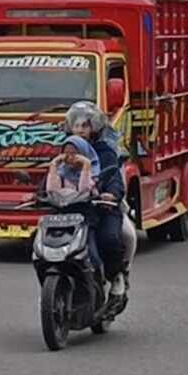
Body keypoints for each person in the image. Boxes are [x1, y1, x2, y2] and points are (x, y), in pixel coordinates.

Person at [62, 102, 127, 297]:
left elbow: (114, 178)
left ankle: (115, 276)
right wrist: (36, 194)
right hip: (71, 209)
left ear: (94, 127)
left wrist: (111, 194)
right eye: (76, 125)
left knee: (109, 239)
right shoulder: (66, 149)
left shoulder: (105, 152)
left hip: (100, 208)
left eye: (85, 126)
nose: (80, 130)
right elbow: (53, 174)